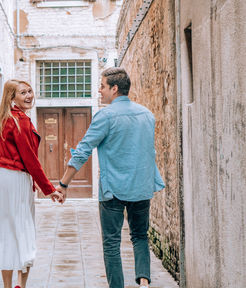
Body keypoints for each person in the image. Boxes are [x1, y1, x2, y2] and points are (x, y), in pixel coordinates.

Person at [56, 67, 165, 288]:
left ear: (114, 89)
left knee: (112, 243)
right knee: (140, 236)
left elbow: (84, 150)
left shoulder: (105, 116)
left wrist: (63, 183)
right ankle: (144, 283)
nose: (99, 90)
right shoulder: (147, 115)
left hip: (113, 189)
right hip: (141, 186)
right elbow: (148, 151)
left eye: (103, 86)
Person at [0, 79, 64, 288]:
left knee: (6, 233)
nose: (29, 96)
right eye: (23, 93)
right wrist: (49, 189)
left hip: (1, 179)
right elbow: (30, 159)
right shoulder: (20, 120)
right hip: (16, 179)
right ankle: (21, 286)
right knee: (24, 233)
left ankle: (8, 286)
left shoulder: (3, 119)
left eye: (30, 91)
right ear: (12, 97)